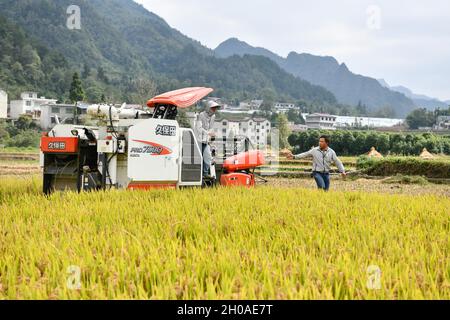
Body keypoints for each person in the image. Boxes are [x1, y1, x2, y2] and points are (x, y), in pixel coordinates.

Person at [195, 100, 221, 178]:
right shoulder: (201, 115)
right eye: (213, 108)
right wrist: (208, 133)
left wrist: (211, 135)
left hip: (206, 141)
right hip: (198, 140)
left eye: (215, 109)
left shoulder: (213, 117)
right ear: (208, 108)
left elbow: (211, 128)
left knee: (207, 156)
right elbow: (198, 128)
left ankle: (205, 174)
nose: (214, 110)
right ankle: (198, 174)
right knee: (199, 158)